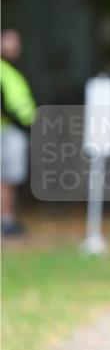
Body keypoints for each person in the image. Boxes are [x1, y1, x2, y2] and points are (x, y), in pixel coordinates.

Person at [0, 29, 36, 237]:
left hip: (15, 129)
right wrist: (18, 119)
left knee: (9, 178)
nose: (13, 47)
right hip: (7, 130)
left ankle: (7, 218)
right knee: (6, 178)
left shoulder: (12, 70)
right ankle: (5, 220)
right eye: (9, 42)